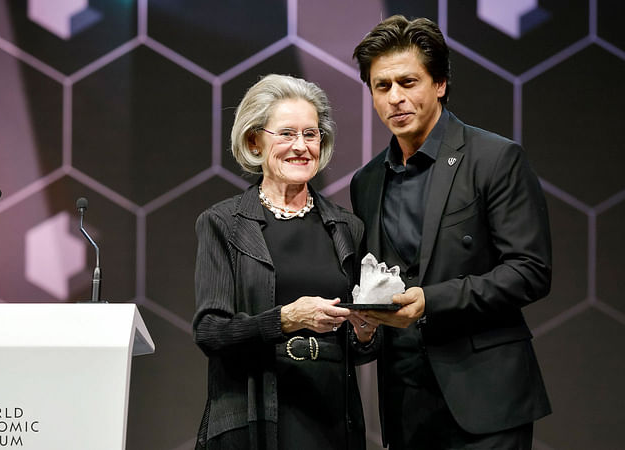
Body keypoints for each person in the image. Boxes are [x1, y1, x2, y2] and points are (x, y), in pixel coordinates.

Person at [350, 15, 552, 449]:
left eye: (408, 82)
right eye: (382, 86)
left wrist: (431, 301)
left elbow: (530, 271)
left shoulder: (495, 158)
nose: (396, 98)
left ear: (439, 83)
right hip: (406, 403)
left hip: (485, 400)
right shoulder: (366, 182)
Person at [193, 74, 377, 450]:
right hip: (253, 416)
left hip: (331, 419)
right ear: (254, 141)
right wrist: (285, 319)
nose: (301, 146)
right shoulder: (222, 223)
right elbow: (210, 332)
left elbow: (360, 349)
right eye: (287, 134)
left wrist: (366, 331)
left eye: (311, 134)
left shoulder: (346, 228)